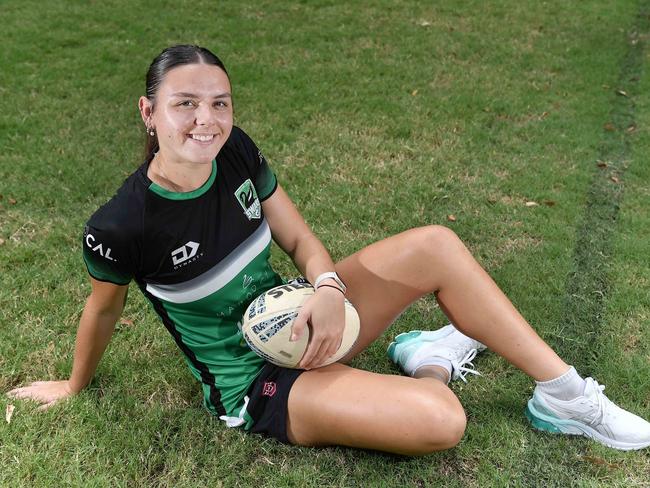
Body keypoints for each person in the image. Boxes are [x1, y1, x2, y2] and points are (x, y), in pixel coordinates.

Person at [8, 45, 650, 455]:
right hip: (257, 380)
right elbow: (103, 312)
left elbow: (298, 238)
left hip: (304, 312)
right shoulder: (123, 223)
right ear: (149, 113)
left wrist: (327, 289)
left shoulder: (234, 151)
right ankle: (429, 360)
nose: (206, 120)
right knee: (440, 421)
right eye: (185, 105)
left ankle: (562, 395)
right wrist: (73, 384)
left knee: (435, 245)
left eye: (219, 103)